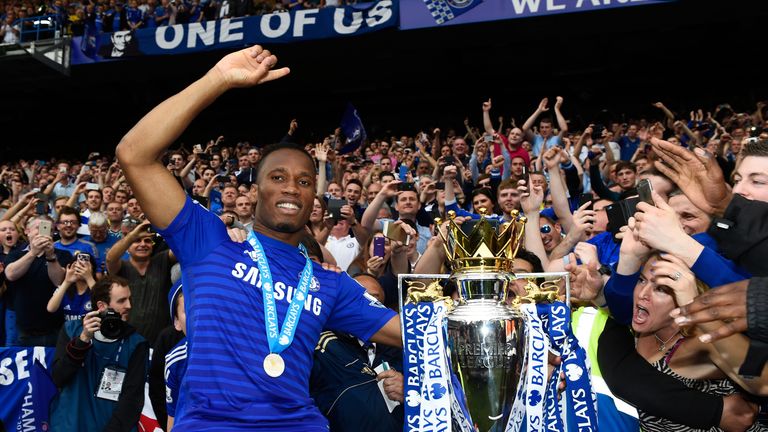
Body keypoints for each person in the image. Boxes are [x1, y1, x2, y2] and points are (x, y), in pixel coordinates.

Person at [115, 45, 400, 430]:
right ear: (255, 191)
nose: (291, 189)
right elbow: (134, 153)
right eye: (277, 177)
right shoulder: (210, 241)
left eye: (303, 181)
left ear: (313, 196)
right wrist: (218, 79)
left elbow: (409, 333)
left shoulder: (328, 280)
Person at [49, 276, 149, 431]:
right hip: (69, 424)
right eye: (122, 301)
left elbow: (132, 400)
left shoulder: (136, 343)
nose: (129, 305)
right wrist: (82, 341)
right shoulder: (72, 329)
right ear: (102, 306)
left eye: (129, 299)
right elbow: (58, 377)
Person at [3, 215, 72, 346]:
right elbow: (11, 274)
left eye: (48, 230)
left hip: (55, 327)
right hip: (24, 328)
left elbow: (58, 281)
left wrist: (51, 256)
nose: (43, 232)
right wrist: (33, 252)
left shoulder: (63, 255)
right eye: (38, 228)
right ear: (27, 231)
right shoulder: (16, 254)